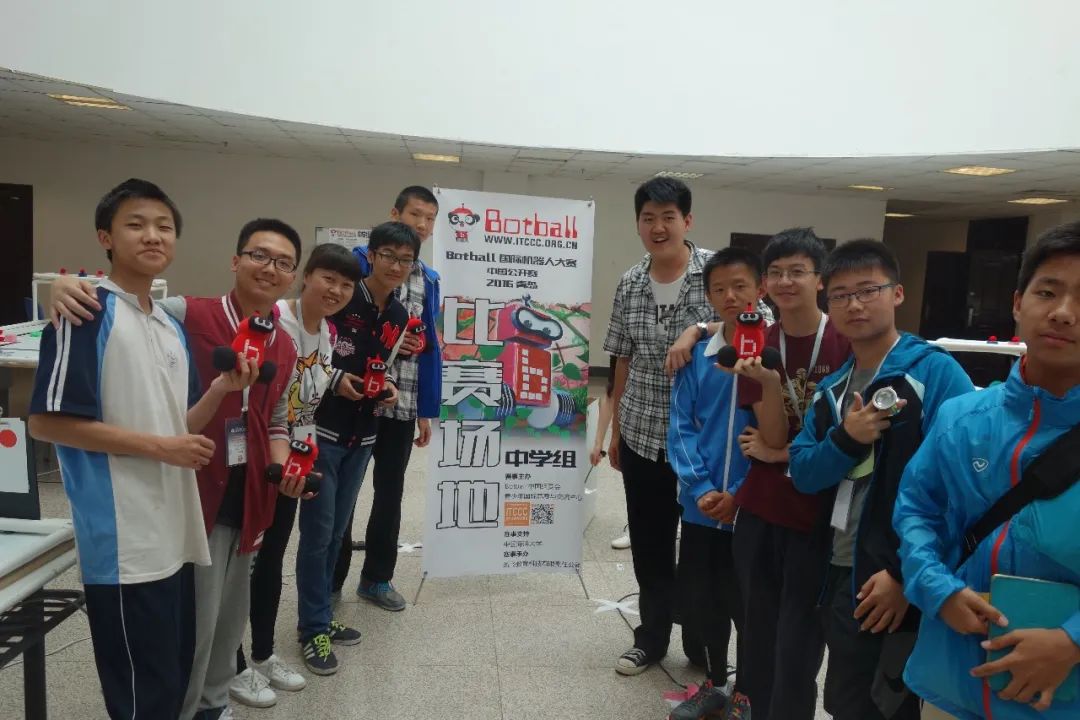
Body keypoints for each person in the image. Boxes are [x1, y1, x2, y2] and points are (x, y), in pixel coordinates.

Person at [28, 179, 215, 719]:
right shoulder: (86, 312)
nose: (153, 235)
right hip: (125, 543)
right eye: (136, 224)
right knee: (141, 697)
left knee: (170, 682)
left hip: (176, 532)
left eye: (164, 226)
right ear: (105, 237)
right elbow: (47, 423)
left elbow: (178, 423)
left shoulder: (167, 325)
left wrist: (224, 390)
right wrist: (163, 448)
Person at [894, 222, 1080, 720]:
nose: (1064, 313)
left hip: (1060, 696)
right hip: (952, 680)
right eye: (1048, 292)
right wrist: (936, 587)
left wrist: (1071, 642)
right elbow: (917, 509)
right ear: (1018, 303)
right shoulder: (963, 417)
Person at [788, 239, 973, 720]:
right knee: (847, 699)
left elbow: (962, 488)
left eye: (868, 290)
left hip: (900, 573)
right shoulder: (833, 388)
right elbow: (803, 472)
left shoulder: (935, 373)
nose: (854, 304)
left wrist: (904, 573)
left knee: (894, 702)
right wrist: (846, 439)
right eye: (841, 295)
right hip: (841, 567)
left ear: (897, 293)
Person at [228, 243, 362, 709]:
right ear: (306, 276)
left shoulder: (327, 332)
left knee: (272, 559)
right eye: (328, 279)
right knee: (240, 565)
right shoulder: (276, 321)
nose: (336, 290)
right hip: (251, 458)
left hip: (291, 457)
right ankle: (232, 664)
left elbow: (303, 403)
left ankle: (262, 654)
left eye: (346, 285)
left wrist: (299, 463)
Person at [725, 227, 851, 720]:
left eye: (797, 271)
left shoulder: (845, 341)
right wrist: (770, 383)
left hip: (817, 511)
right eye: (775, 272)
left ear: (820, 280)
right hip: (762, 508)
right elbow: (772, 435)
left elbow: (847, 435)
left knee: (799, 641)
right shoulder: (757, 341)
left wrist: (780, 456)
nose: (784, 281)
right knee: (755, 634)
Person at [603, 177, 718, 675]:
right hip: (642, 432)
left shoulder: (715, 272)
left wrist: (699, 329)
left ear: (686, 221)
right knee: (650, 545)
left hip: (702, 441)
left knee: (701, 549)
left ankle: (701, 642)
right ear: (638, 223)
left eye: (668, 217)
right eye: (648, 218)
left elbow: (753, 324)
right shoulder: (630, 282)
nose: (658, 227)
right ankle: (650, 637)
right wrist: (615, 432)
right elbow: (621, 360)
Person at [295, 221, 415, 675]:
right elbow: (314, 354)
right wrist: (336, 382)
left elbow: (382, 366)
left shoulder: (399, 314)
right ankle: (312, 628)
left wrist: (387, 390)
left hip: (364, 434)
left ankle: (322, 615)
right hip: (322, 431)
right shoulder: (344, 299)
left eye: (406, 260)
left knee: (336, 530)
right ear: (372, 254)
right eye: (388, 255)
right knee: (319, 533)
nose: (396, 266)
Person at [331, 186, 442, 611]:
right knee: (344, 491)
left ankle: (377, 578)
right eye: (416, 214)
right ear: (395, 213)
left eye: (430, 218)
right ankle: (332, 577)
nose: (422, 224)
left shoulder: (428, 278)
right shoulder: (355, 265)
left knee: (390, 491)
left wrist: (424, 411)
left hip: (402, 399)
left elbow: (428, 344)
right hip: (353, 397)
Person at [666, 247, 765, 720]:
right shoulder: (697, 357)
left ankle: (747, 691)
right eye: (719, 289)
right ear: (708, 296)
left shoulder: (772, 354)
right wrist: (702, 487)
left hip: (754, 507)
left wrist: (741, 495)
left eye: (740, 286)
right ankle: (715, 682)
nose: (730, 296)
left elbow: (778, 432)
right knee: (705, 598)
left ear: (759, 290)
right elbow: (680, 426)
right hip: (700, 505)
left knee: (748, 603)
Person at [588, 356, 631, 550]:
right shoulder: (624, 352)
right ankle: (636, 528)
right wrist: (599, 443)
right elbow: (611, 393)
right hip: (634, 430)